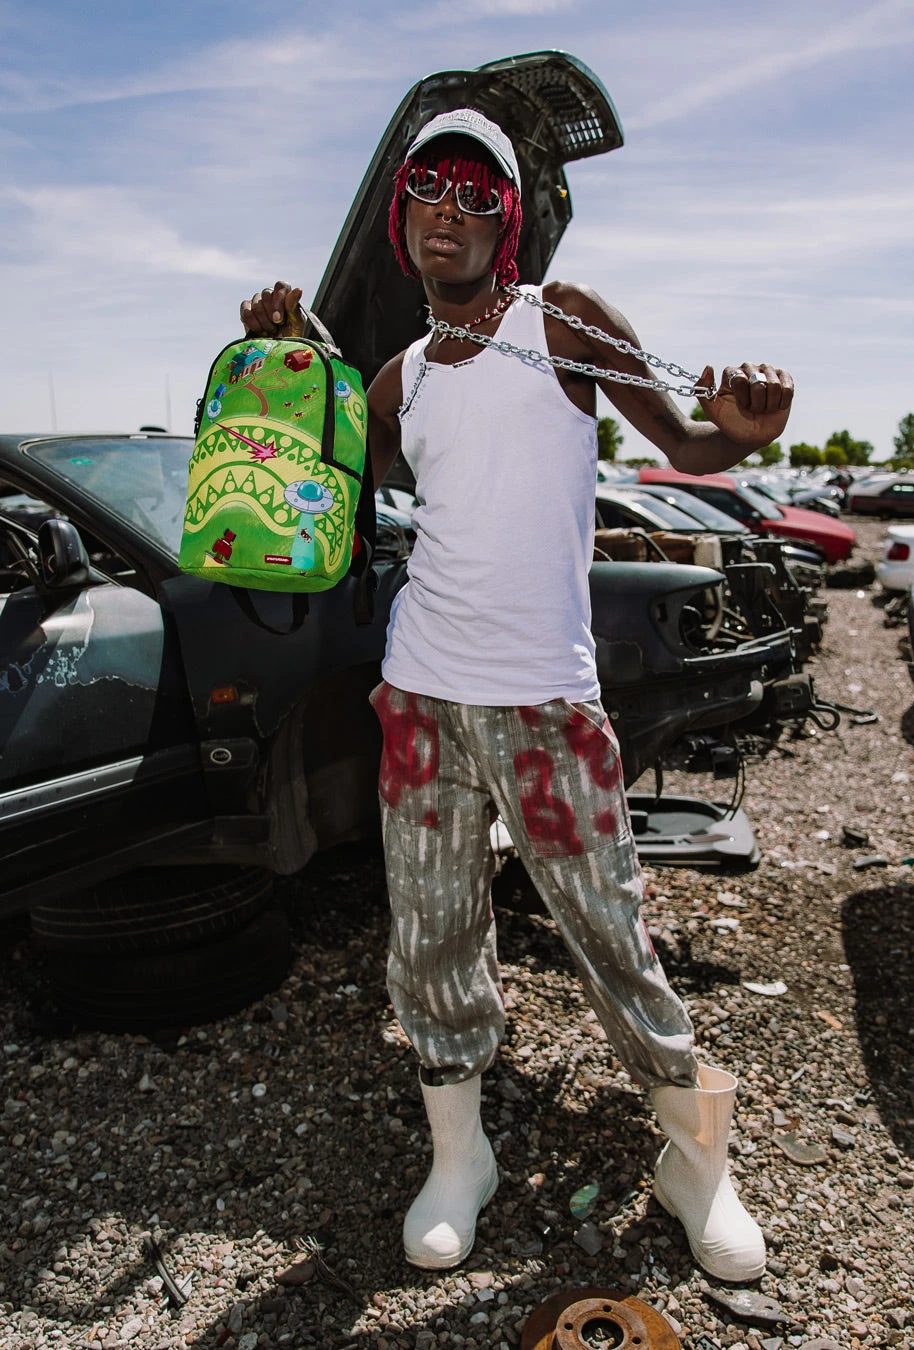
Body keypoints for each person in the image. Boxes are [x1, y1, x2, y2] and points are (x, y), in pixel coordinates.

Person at [241, 107, 794, 1282]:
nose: (447, 210)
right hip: (420, 698)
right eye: (426, 189)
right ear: (401, 222)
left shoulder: (563, 319)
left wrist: (742, 433)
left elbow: (690, 447)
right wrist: (289, 363)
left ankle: (697, 1166)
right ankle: (462, 1157)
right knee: (432, 934)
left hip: (545, 700)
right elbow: (313, 495)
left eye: (474, 192)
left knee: (609, 932)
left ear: (509, 222)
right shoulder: (395, 379)